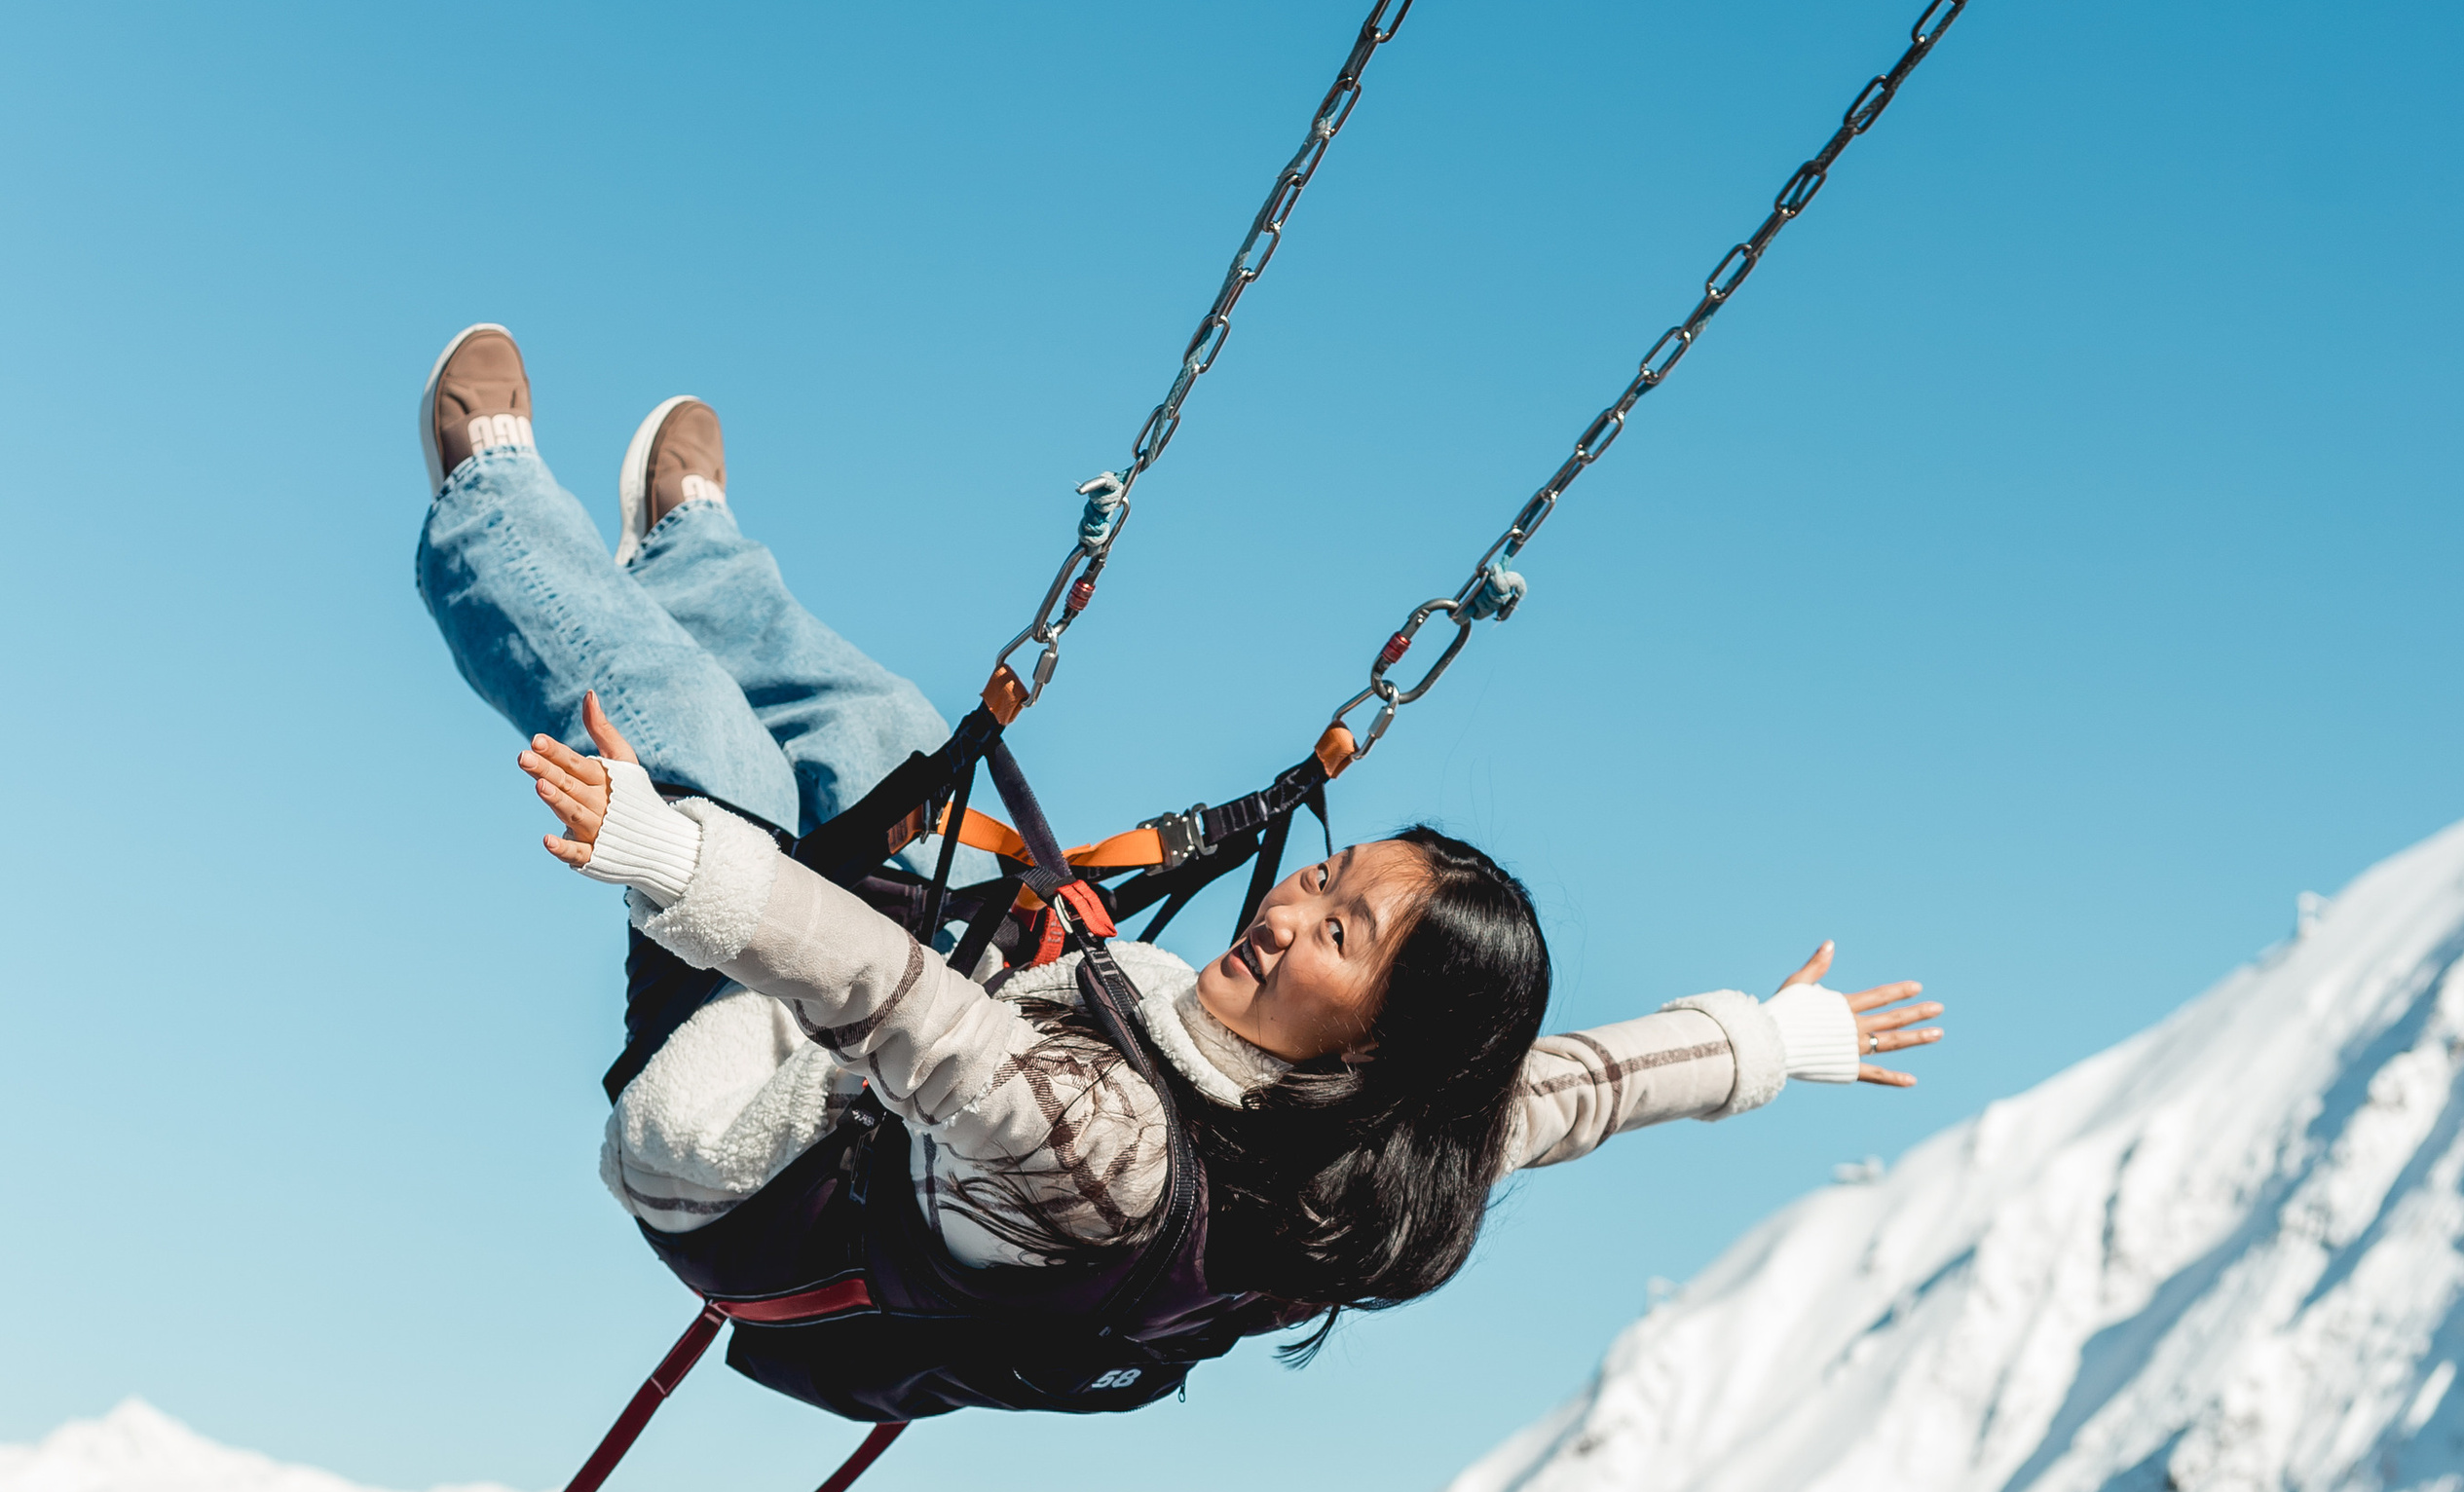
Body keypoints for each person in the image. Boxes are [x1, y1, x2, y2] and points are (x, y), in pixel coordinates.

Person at [416, 323, 1942, 1390]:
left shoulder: (1122, 1158)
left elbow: (900, 1008)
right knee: (893, 742)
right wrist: (1773, 1039)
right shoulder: (1390, 1148)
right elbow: (1578, 1092)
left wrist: (675, 859)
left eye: (1339, 937)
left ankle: (487, 504)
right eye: (1332, 884)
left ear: (1373, 1044)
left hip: (756, 1144)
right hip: (942, 1070)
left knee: (710, 754)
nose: (1289, 909)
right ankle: (691, 552)